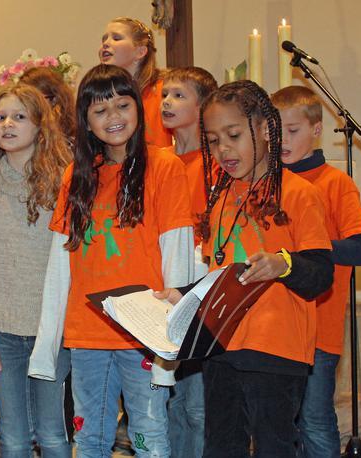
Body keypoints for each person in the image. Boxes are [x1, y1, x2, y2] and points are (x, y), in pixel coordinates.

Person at [29, 64, 195, 458]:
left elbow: (177, 249)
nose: (114, 118)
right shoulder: (77, 174)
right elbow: (60, 262)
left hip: (144, 333)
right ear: (85, 120)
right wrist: (49, 336)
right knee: (89, 439)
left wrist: (172, 332)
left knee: (148, 436)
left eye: (122, 106)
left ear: (138, 109)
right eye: (101, 111)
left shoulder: (164, 166)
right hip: (88, 331)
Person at [190, 80, 334, 457]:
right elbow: (216, 274)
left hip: (276, 351)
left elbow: (321, 275)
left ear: (266, 130)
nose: (223, 149)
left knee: (274, 446)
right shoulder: (221, 199)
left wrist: (282, 264)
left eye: (233, 135)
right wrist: (184, 295)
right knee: (221, 446)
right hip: (221, 347)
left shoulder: (300, 193)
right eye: (214, 139)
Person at [0, 83, 72, 457]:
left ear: (41, 126)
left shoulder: (62, 187)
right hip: (3, 335)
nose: (7, 124)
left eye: (19, 116)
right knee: (13, 436)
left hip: (51, 328)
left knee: (52, 433)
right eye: (0, 117)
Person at [271, 85, 361, 458]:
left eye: (292, 130)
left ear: (316, 129)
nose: (283, 141)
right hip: (275, 328)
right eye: (276, 132)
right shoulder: (267, 186)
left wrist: (306, 252)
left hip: (318, 328)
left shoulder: (335, 184)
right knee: (280, 421)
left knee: (314, 418)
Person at [159, 66, 218, 458]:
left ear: (204, 107)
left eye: (179, 95)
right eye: (165, 94)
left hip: (200, 295)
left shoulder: (216, 165)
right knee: (166, 402)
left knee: (197, 407)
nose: (166, 101)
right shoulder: (156, 160)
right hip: (161, 290)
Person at [98, 17, 172, 147]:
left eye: (116, 38)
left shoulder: (164, 91)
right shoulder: (102, 95)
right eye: (104, 39)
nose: (105, 43)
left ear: (140, 52)